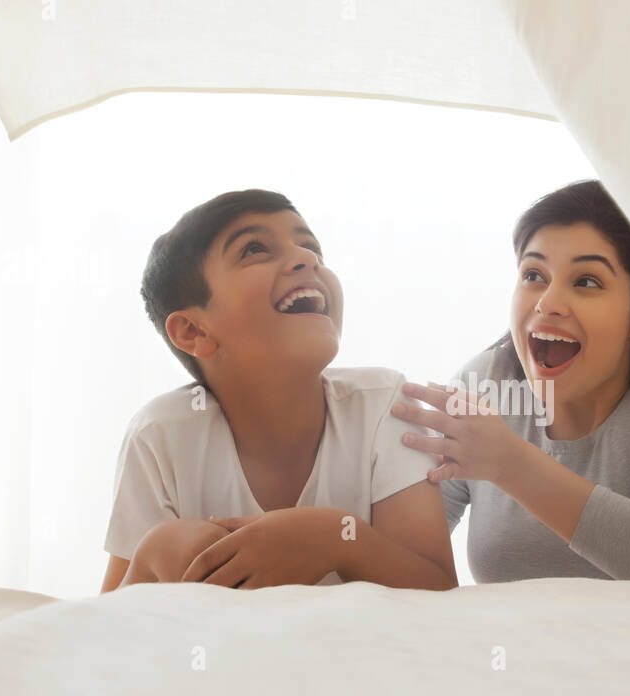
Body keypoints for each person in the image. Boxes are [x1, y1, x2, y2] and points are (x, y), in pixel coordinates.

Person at [100, 189, 456, 592]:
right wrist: (154, 553)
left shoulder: (385, 404)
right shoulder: (159, 436)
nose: (308, 259)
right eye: (254, 249)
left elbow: (437, 591)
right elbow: (111, 627)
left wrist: (336, 538)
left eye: (309, 245)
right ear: (194, 331)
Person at [396, 180, 630, 582]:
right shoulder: (484, 384)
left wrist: (513, 465)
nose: (547, 304)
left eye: (586, 282)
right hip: (511, 645)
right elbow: (399, 556)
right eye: (534, 274)